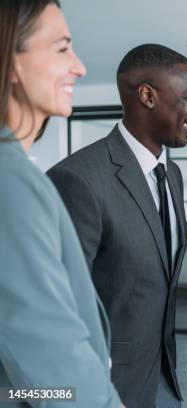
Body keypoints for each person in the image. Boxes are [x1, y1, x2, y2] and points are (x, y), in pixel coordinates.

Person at [47, 43, 187, 407]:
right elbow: (60, 309)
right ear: (147, 96)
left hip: (164, 375)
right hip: (108, 384)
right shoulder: (78, 180)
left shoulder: (172, 174)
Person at [0, 1, 124, 407]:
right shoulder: (11, 182)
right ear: (11, 62)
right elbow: (51, 357)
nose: (80, 66)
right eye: (61, 48)